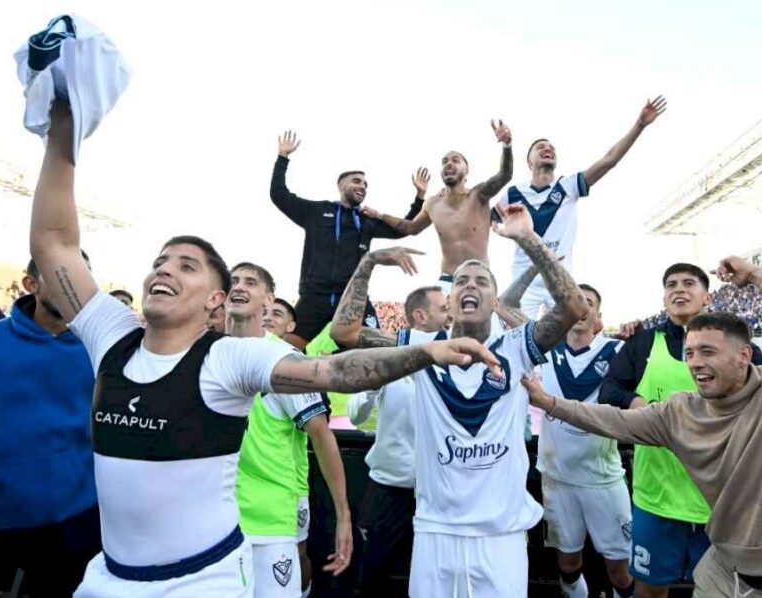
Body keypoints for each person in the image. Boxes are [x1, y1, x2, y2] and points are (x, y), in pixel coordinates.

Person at [30, 101, 501, 597]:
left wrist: (424, 353)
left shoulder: (231, 357)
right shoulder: (113, 336)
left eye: (187, 266)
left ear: (216, 297)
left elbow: (334, 373)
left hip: (203, 581)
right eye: (161, 261)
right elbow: (54, 245)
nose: (166, 269)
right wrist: (63, 127)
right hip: (109, 583)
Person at [525, 255, 762, 597]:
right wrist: (550, 402)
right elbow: (614, 419)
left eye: (707, 352)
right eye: (689, 354)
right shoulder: (680, 409)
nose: (695, 364)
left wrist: (760, 276)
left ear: (745, 355)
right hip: (720, 564)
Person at [331, 203, 589, 596]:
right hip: (436, 530)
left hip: (500, 535)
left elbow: (574, 308)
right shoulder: (421, 347)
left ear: (495, 301)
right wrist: (368, 262)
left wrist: (526, 238)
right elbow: (345, 332)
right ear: (449, 303)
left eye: (482, 281)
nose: (470, 285)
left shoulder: (518, 345)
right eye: (462, 281)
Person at [225, 262, 351, 597]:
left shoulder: (285, 361)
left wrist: (343, 516)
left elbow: (321, 434)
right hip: (215, 519)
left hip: (269, 517)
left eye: (250, 282)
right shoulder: (207, 352)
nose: (239, 287)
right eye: (234, 280)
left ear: (267, 302)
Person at [0, 255, 102, 597]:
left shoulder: (102, 352)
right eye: (62, 274)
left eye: (82, 275)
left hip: (78, 522)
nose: (75, 284)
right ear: (30, 284)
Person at [598, 263, 716, 597]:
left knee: (718, 591)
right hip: (656, 497)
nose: (678, 289)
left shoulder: (730, 338)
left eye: (688, 283)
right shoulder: (643, 342)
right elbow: (610, 389)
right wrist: (641, 408)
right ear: (664, 298)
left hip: (719, 500)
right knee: (649, 591)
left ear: (707, 296)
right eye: (671, 285)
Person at [493, 96, 667, 318]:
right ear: (529, 162)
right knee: (520, 339)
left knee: (565, 339)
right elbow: (489, 222)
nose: (548, 149)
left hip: (560, 276)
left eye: (551, 147)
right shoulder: (513, 194)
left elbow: (609, 160)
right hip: (524, 280)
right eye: (540, 147)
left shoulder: (568, 186)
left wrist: (639, 125)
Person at [270, 130, 426, 349]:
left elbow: (404, 228)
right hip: (315, 296)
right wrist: (283, 158)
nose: (362, 187)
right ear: (341, 185)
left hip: (352, 298)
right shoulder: (316, 211)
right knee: (286, 349)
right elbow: (279, 195)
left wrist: (419, 198)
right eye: (356, 181)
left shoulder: (366, 221)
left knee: (377, 348)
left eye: (365, 185)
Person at [341, 281, 449, 595]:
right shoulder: (390, 356)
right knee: (374, 575)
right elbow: (356, 415)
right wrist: (373, 387)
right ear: (420, 316)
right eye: (443, 309)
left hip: (438, 491)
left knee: (436, 578)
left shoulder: (457, 357)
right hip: (390, 488)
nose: (450, 314)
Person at [532, 284, 635, 598]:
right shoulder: (542, 350)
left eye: (588, 302)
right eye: (573, 302)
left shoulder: (618, 351)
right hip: (557, 478)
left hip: (603, 479)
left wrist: (640, 329)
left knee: (620, 568)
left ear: (598, 316)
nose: (581, 308)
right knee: (567, 562)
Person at [361, 120, 513, 288]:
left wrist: (507, 145)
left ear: (466, 170)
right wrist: (380, 215)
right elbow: (411, 228)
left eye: (456, 160)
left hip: (479, 277)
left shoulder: (479, 195)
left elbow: (505, 175)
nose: (449, 163)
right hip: (448, 280)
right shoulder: (433, 203)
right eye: (444, 161)